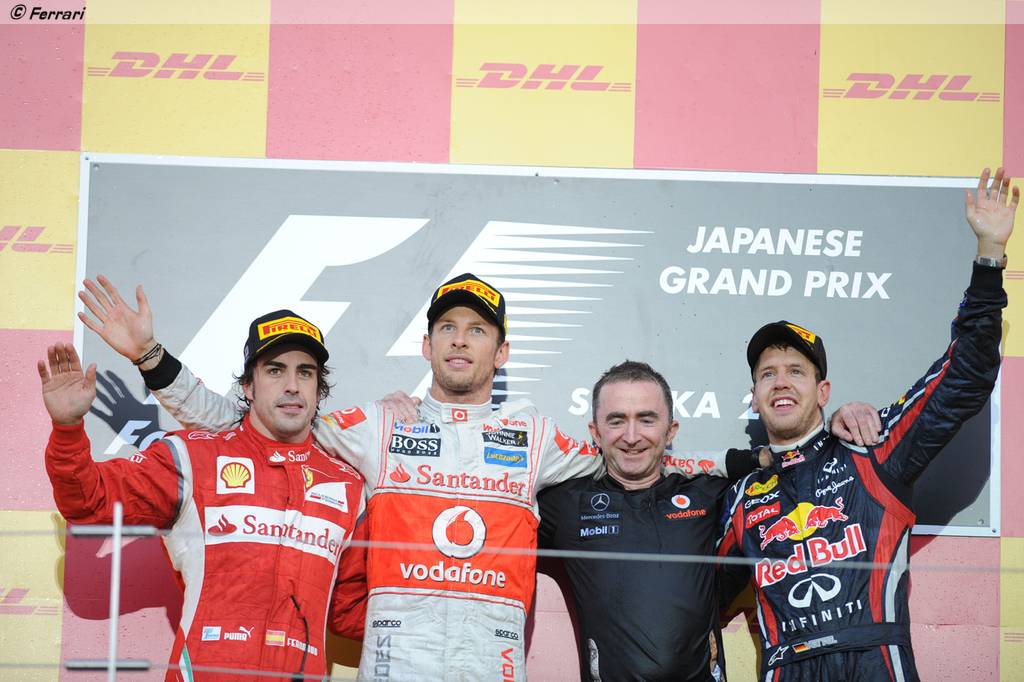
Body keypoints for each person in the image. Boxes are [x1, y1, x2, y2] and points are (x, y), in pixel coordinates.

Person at [79, 273, 754, 681]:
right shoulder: (377, 423)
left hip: (491, 662)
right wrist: (154, 360)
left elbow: (634, 451)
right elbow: (253, 419)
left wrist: (767, 458)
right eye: (448, 328)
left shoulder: (536, 436)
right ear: (427, 345)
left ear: (502, 351)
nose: (461, 339)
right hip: (395, 660)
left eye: (478, 330)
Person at [716, 167, 1016, 681]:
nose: (781, 382)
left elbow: (963, 379)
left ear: (823, 391)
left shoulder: (870, 448)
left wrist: (989, 256)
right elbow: (687, 595)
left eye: (796, 371)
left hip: (875, 661)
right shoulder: (741, 498)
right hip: (787, 665)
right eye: (768, 373)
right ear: (756, 397)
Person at [41, 311, 367, 681]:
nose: (292, 385)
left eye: (305, 373)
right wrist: (67, 429)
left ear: (318, 389)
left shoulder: (349, 486)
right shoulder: (191, 459)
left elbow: (349, 610)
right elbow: (89, 501)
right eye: (275, 371)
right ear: (248, 386)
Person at [538, 360, 741, 682]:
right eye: (617, 421)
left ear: (670, 430)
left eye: (646, 420)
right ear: (595, 432)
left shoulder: (709, 493)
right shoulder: (565, 504)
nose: (631, 437)